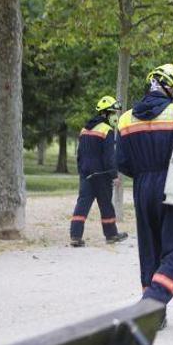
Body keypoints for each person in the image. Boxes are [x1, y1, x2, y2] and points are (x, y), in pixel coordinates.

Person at [117, 64, 173, 312]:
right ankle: (151, 302)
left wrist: (144, 174)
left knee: (150, 251)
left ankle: (154, 315)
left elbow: (121, 162)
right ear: (170, 88)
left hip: (142, 187)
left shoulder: (125, 119)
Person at [70, 96, 128, 247]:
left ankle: (75, 236)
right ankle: (111, 235)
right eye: (114, 113)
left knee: (82, 204)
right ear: (106, 113)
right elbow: (109, 157)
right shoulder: (106, 130)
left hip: (86, 173)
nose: (116, 116)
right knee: (106, 205)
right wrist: (114, 175)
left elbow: (80, 154)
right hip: (102, 175)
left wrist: (81, 171)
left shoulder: (84, 129)